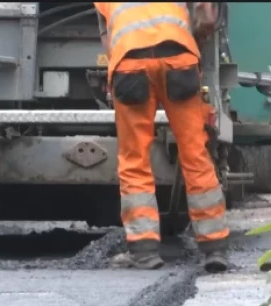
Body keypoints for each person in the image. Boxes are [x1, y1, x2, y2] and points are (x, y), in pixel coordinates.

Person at [94, 2, 229, 272]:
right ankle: (214, 247)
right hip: (179, 59)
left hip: (130, 63)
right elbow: (206, 13)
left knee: (135, 159)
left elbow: (108, 37)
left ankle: (144, 250)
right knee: (195, 154)